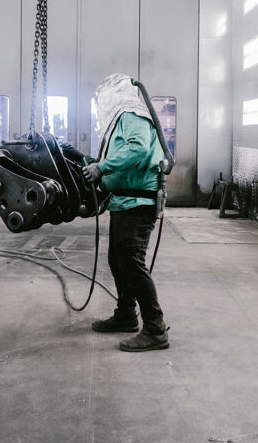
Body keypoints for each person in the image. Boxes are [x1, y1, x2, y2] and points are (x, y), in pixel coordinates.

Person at [82, 73, 169, 352]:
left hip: (138, 204)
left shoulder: (132, 115)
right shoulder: (121, 119)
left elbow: (138, 148)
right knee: (118, 261)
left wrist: (102, 168)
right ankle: (126, 315)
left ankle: (155, 329)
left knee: (131, 263)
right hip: (123, 202)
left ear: (113, 95)